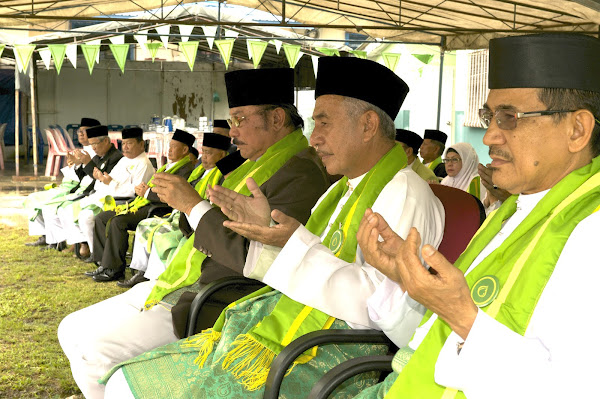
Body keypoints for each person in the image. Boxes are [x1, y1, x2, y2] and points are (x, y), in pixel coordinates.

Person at [102, 56, 445, 398]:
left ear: (368, 125)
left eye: (324, 124)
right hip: (296, 328)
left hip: (331, 351)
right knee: (122, 380)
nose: (314, 139)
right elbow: (321, 259)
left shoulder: (404, 192)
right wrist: (267, 231)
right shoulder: (348, 186)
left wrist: (292, 244)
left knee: (125, 386)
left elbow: (380, 306)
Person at [57, 67, 330, 399]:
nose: (233, 133)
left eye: (240, 120)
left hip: (220, 296)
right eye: (231, 121)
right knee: (70, 328)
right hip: (190, 279)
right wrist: (186, 204)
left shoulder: (301, 172)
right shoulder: (252, 165)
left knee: (92, 352)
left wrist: (193, 206)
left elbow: (255, 255)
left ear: (276, 119)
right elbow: (205, 223)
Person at [355, 33, 600, 399]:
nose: (489, 137)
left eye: (510, 118)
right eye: (490, 116)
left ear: (577, 130)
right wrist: (407, 278)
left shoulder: (590, 229)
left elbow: (575, 389)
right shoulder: (512, 214)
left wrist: (464, 317)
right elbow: (425, 349)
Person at [87, 129, 197, 282]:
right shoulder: (168, 166)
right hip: (143, 202)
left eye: (173, 147)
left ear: (185, 150)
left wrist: (147, 193)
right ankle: (103, 263)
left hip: (159, 208)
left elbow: (172, 196)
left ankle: (115, 269)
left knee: (118, 221)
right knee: (102, 217)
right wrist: (145, 191)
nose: (169, 150)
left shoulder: (186, 170)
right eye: (169, 146)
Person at [124, 133, 232, 288]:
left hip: (198, 220)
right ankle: (142, 273)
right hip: (180, 213)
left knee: (162, 236)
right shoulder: (199, 171)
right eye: (203, 152)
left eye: (209, 153)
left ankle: (157, 279)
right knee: (145, 226)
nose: (205, 157)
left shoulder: (223, 176)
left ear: (222, 154)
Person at [62, 127, 156, 260]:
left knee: (87, 217)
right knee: (75, 211)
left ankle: (99, 255)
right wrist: (101, 178)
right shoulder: (124, 160)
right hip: (106, 195)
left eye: (129, 143)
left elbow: (135, 191)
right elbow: (108, 180)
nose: (125, 147)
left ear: (141, 144)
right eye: (123, 143)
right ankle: (95, 252)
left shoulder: (144, 164)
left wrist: (109, 182)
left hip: (124, 202)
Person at [42, 124, 123, 252]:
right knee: (63, 209)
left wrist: (87, 162)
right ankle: (78, 244)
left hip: (105, 196)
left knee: (75, 213)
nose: (94, 148)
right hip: (92, 193)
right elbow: (85, 177)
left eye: (95, 144)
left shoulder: (116, 158)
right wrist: (78, 164)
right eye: (91, 145)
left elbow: (99, 177)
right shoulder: (99, 156)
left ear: (106, 141)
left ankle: (86, 247)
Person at [25, 117, 100, 248]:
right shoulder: (81, 150)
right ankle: (47, 236)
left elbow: (89, 178)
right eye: (79, 131)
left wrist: (79, 165)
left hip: (80, 190)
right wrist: (72, 165)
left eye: (85, 131)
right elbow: (75, 176)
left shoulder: (97, 153)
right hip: (70, 186)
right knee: (33, 199)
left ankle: (62, 242)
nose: (80, 133)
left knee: (52, 206)